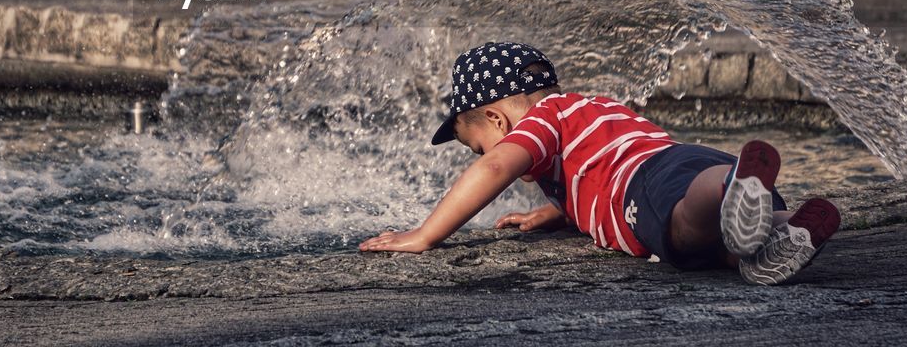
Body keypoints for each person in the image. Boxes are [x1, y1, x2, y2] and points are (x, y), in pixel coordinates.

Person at [359, 42, 842, 286]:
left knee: (681, 225)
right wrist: (559, 211)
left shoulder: (542, 122)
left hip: (649, 184)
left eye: (478, 144)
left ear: (496, 119)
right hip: (685, 160)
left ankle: (730, 190)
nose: (487, 156)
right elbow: (595, 169)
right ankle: (781, 222)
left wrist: (425, 234)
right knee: (712, 248)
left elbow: (494, 170)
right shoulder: (586, 110)